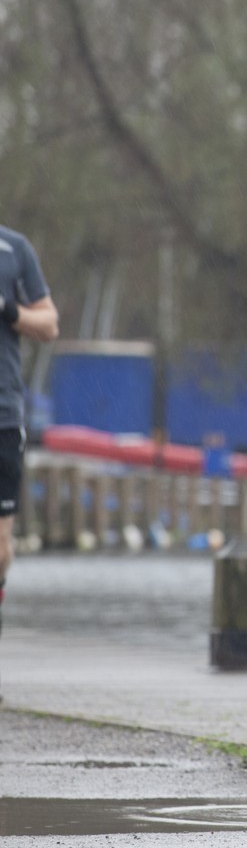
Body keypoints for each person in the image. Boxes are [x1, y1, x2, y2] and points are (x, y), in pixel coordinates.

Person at [0, 224, 61, 699]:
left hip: (2, 414)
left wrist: (7, 308)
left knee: (0, 546)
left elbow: (49, 324)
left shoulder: (15, 248)